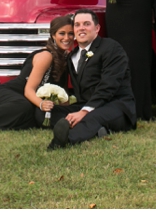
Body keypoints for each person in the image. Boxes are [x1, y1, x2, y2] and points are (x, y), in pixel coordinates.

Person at [0, 16, 74, 131]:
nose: (67, 38)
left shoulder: (66, 58)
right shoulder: (46, 56)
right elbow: (28, 90)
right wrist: (42, 104)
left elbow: (63, 93)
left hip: (29, 102)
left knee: (32, 119)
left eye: (70, 34)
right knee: (24, 107)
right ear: (53, 35)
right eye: (62, 33)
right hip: (10, 94)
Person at [47, 10, 137, 150]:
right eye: (77, 25)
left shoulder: (111, 48)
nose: (81, 28)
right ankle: (96, 130)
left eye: (86, 24)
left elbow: (109, 86)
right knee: (51, 111)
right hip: (86, 104)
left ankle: (64, 140)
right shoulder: (73, 56)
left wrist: (84, 112)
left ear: (97, 28)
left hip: (115, 105)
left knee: (92, 118)